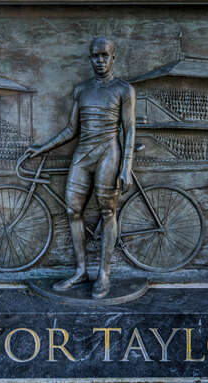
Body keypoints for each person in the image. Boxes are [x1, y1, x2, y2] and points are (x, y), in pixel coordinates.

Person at [24, 37, 135, 299]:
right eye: (95, 56)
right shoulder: (81, 90)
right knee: (73, 210)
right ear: (90, 58)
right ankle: (81, 270)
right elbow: (71, 130)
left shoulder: (123, 89)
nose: (99, 60)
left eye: (104, 56)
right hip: (83, 154)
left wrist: (126, 166)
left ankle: (104, 274)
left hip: (109, 153)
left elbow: (130, 130)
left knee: (108, 212)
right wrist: (42, 147)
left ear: (113, 58)